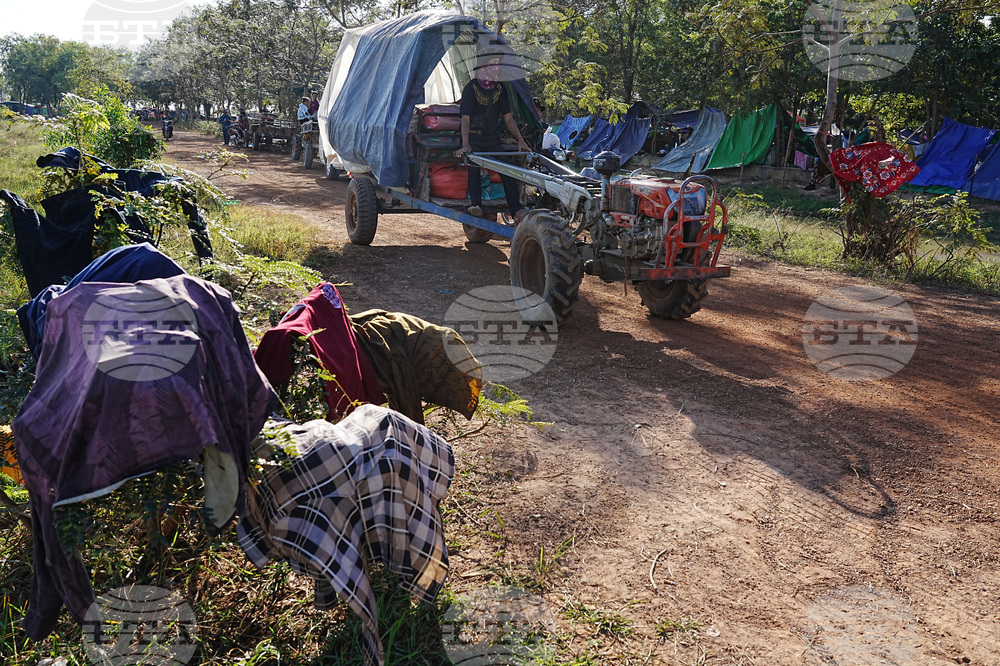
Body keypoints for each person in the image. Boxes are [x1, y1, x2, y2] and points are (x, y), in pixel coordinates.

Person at [456, 52, 530, 221]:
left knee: (507, 170)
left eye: (497, 64)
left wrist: (520, 139)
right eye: (492, 63)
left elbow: (508, 117)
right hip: (473, 138)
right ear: (482, 67)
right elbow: (465, 118)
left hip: (491, 139)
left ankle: (516, 209)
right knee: (474, 169)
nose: (496, 68)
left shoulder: (500, 89)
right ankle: (476, 205)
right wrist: (466, 144)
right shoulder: (471, 88)